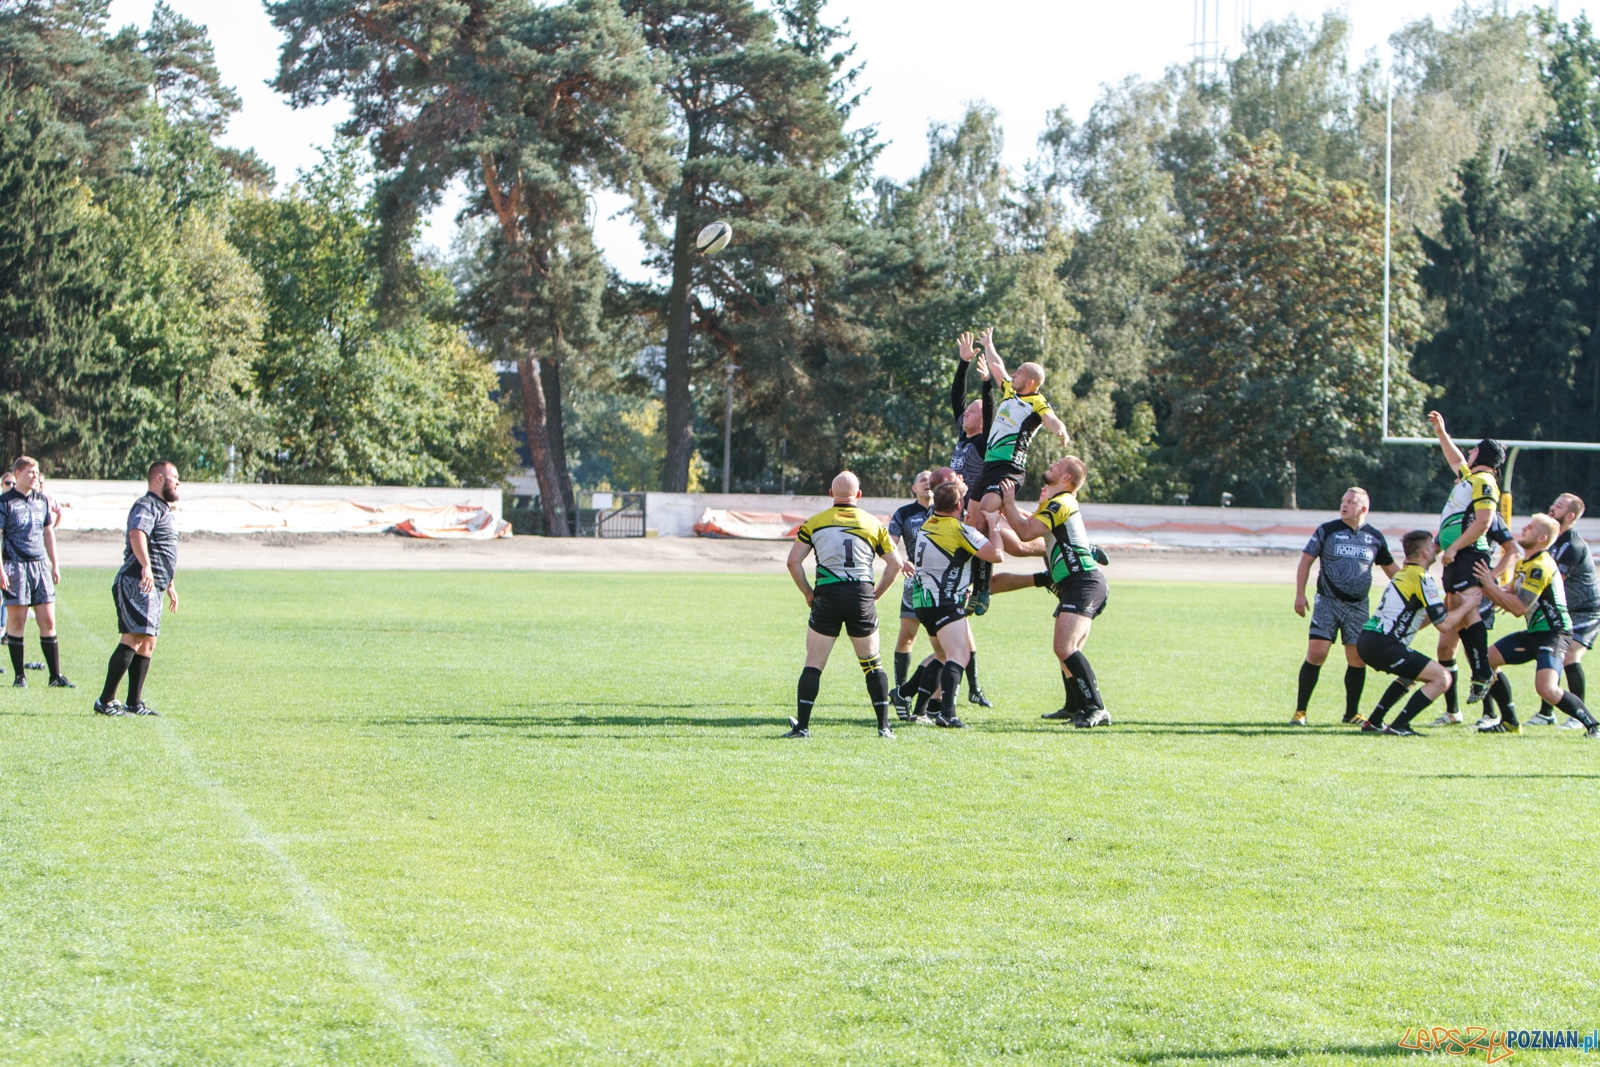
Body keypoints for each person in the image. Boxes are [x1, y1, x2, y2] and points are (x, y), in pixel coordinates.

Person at [783, 471, 908, 739]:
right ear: (859, 495)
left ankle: (802, 727)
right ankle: (884, 727)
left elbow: (793, 562)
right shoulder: (873, 523)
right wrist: (875, 595)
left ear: (831, 494)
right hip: (861, 595)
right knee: (872, 662)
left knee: (814, 662)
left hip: (827, 595)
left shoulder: (814, 522)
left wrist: (807, 593)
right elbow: (896, 564)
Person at [998, 457, 1110, 727]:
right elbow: (1029, 523)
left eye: (1059, 464)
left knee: (1065, 647)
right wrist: (1008, 510)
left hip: (1084, 582)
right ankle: (1075, 707)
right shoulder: (1057, 504)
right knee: (1066, 650)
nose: (1053, 464)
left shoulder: (1062, 502)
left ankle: (1096, 708)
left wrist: (1008, 504)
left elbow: (1025, 534)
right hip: (1073, 584)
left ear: (1066, 478)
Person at [968, 327, 1069, 614]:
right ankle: (980, 581)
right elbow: (997, 365)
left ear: (1033, 381)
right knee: (973, 521)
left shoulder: (1036, 401)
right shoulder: (1010, 390)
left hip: (1009, 469)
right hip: (988, 468)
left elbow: (1051, 419)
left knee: (987, 516)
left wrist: (1060, 430)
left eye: (1021, 371)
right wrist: (989, 344)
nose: (1015, 373)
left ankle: (983, 589)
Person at [1471, 514, 1600, 738]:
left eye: (1530, 528)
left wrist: (1489, 584)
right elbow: (1509, 595)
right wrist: (1487, 591)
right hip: (1534, 632)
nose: (1524, 529)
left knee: (1547, 689)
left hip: (1554, 633)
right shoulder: (1525, 562)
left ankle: (1594, 725)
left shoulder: (1541, 566)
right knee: (1487, 660)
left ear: (1541, 537)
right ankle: (1509, 722)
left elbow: (1519, 606)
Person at [1290, 488, 1397, 725]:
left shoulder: (1375, 537)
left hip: (1357, 607)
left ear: (1363, 509)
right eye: (1343, 501)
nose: (1344, 505)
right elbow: (1306, 560)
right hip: (1326, 603)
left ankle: (1351, 713)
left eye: (1351, 502)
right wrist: (1300, 594)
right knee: (1317, 653)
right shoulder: (1327, 530)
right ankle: (1300, 711)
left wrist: (1412, 590)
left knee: (1357, 659)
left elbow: (1393, 571)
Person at [1357, 531, 1475, 735]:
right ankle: (1399, 726)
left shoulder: (1404, 573)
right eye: (1432, 546)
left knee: (1411, 674)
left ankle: (1374, 721)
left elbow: (1418, 619)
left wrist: (1446, 608)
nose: (1436, 549)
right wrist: (1468, 606)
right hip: (1384, 644)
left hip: (1368, 640)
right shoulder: (1422, 577)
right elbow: (1444, 625)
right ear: (1424, 552)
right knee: (1442, 678)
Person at [907, 479, 1003, 728]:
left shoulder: (929, 524)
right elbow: (996, 554)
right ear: (960, 504)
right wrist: (994, 526)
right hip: (945, 602)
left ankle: (919, 710)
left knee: (941, 656)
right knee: (959, 656)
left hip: (923, 602)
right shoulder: (958, 529)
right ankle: (948, 714)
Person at [1425, 411, 1502, 717]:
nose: (1467, 453)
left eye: (1472, 450)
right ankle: (1480, 675)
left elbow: (1483, 522)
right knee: (1462, 610)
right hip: (1458, 556)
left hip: (1468, 554)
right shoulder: (1471, 477)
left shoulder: (1484, 480)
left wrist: (1454, 547)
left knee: (1468, 608)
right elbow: (1455, 459)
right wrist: (1441, 432)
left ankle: (1483, 672)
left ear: (1482, 454)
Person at [95, 461, 181, 717]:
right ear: (158, 478)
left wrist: (170, 584)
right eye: (173, 476)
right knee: (133, 638)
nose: (178, 482)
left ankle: (134, 704)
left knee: (148, 643)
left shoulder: (163, 509)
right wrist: (145, 567)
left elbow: (162, 551)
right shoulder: (146, 505)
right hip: (136, 581)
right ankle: (106, 701)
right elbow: (137, 533)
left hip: (153, 585)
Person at [0, 457, 72, 688]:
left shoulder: (41, 501)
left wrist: (55, 564)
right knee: (17, 620)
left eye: (37, 472)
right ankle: (19, 676)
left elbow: (48, 533)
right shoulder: (5, 502)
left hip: (39, 566)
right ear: (18, 473)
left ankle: (55, 676)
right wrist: (1, 569)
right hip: (15, 565)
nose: (35, 476)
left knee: (48, 620)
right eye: (31, 472)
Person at [1534, 493, 1596, 728]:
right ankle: (1546, 713)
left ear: (1569, 516)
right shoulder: (1551, 539)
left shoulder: (1573, 545)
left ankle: (1578, 717)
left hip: (1586, 611)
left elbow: (1552, 580)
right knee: (1551, 654)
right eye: (1553, 502)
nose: (1552, 507)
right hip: (1564, 610)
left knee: (1569, 655)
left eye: (1558, 506)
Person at [887, 471, 933, 717]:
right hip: (914, 581)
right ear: (914, 487)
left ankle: (940, 699)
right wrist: (900, 560)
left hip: (943, 581)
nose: (927, 482)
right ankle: (900, 689)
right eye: (922, 479)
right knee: (907, 636)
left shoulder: (948, 508)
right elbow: (888, 542)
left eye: (931, 478)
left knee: (947, 642)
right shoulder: (904, 513)